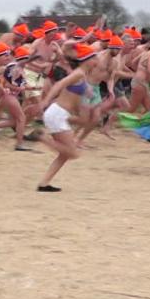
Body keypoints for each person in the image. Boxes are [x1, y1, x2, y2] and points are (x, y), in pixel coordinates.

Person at [36, 43, 99, 192]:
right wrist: (44, 101)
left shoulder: (81, 75)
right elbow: (59, 85)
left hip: (59, 114)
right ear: (87, 60)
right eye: (94, 57)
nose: (96, 60)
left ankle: (44, 183)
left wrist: (87, 92)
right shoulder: (78, 73)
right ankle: (40, 137)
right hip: (57, 113)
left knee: (64, 154)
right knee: (73, 153)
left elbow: (74, 93)